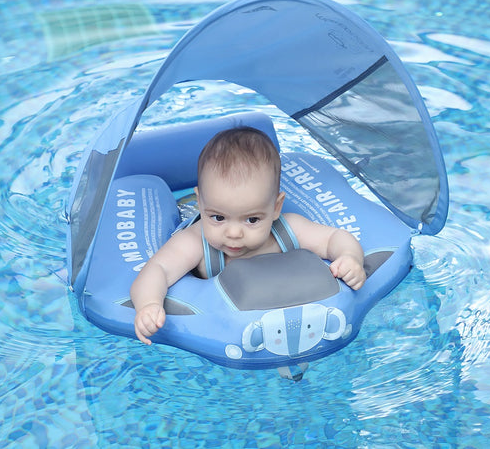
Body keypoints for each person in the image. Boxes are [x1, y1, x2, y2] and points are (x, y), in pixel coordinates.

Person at [130, 126, 366, 345]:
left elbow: (335, 237)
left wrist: (349, 257)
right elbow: (157, 269)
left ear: (275, 207)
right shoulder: (195, 243)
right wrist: (149, 304)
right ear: (202, 203)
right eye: (218, 217)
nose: (233, 233)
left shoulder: (288, 230)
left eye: (252, 219)